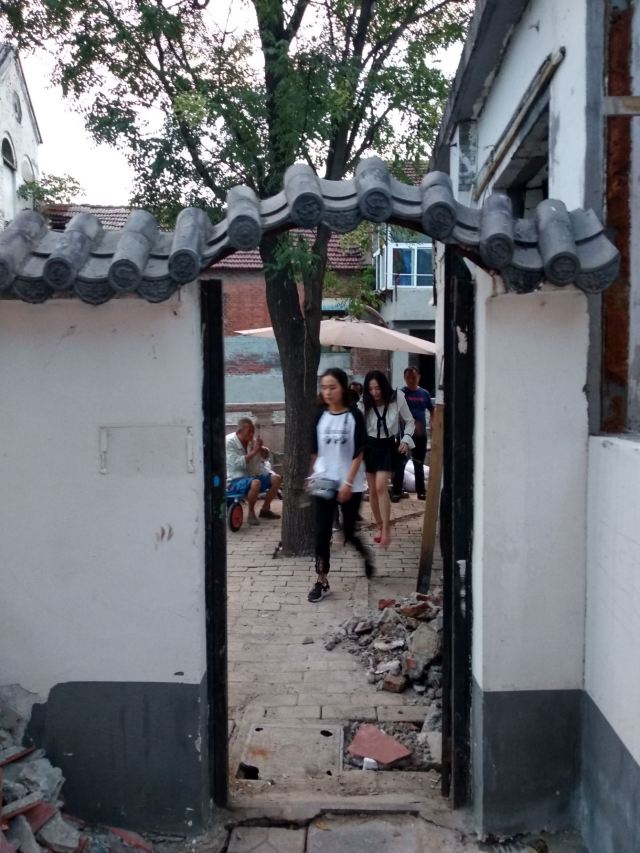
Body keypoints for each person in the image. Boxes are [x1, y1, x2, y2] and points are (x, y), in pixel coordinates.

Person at [307, 368, 374, 603]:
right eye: (324, 387)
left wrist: (347, 483)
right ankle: (321, 579)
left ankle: (366, 555)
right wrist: (311, 474)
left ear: (343, 388)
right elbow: (315, 450)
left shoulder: (354, 416)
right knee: (322, 531)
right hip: (324, 480)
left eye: (332, 387)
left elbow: (359, 452)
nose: (327, 392)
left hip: (350, 483)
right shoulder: (320, 415)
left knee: (348, 532)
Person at [361, 370, 415, 548]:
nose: (374, 392)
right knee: (372, 490)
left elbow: (410, 421)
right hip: (369, 446)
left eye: (377, 388)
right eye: (371, 389)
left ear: (384, 386)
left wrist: (406, 439)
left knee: (380, 486)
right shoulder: (364, 402)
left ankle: (386, 528)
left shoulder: (397, 397)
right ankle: (378, 525)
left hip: (387, 446)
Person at [226, 417, 282, 526]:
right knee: (255, 483)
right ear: (239, 432)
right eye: (249, 432)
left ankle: (265, 510)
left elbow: (266, 456)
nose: (252, 435)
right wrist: (254, 451)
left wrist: (261, 448)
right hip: (235, 479)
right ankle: (251, 513)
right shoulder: (229, 442)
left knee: (277, 479)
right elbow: (237, 463)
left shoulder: (250, 440)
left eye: (253, 432)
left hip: (252, 476)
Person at [391, 366, 433, 501]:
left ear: (419, 377)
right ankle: (396, 492)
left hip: (420, 435)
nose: (411, 380)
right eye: (408, 377)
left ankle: (421, 492)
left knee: (418, 463)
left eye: (413, 377)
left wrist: (433, 424)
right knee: (400, 464)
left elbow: (432, 410)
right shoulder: (401, 393)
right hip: (404, 435)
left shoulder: (424, 393)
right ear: (404, 378)